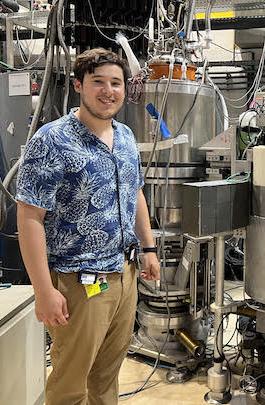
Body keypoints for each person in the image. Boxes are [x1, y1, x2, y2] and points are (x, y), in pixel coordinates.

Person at [16, 48, 160, 405]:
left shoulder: (125, 136)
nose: (108, 91)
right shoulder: (51, 140)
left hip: (125, 275)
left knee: (107, 376)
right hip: (79, 282)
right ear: (79, 85)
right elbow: (30, 217)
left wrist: (149, 247)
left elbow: (134, 191)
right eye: (99, 82)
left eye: (116, 83)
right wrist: (42, 291)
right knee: (70, 382)